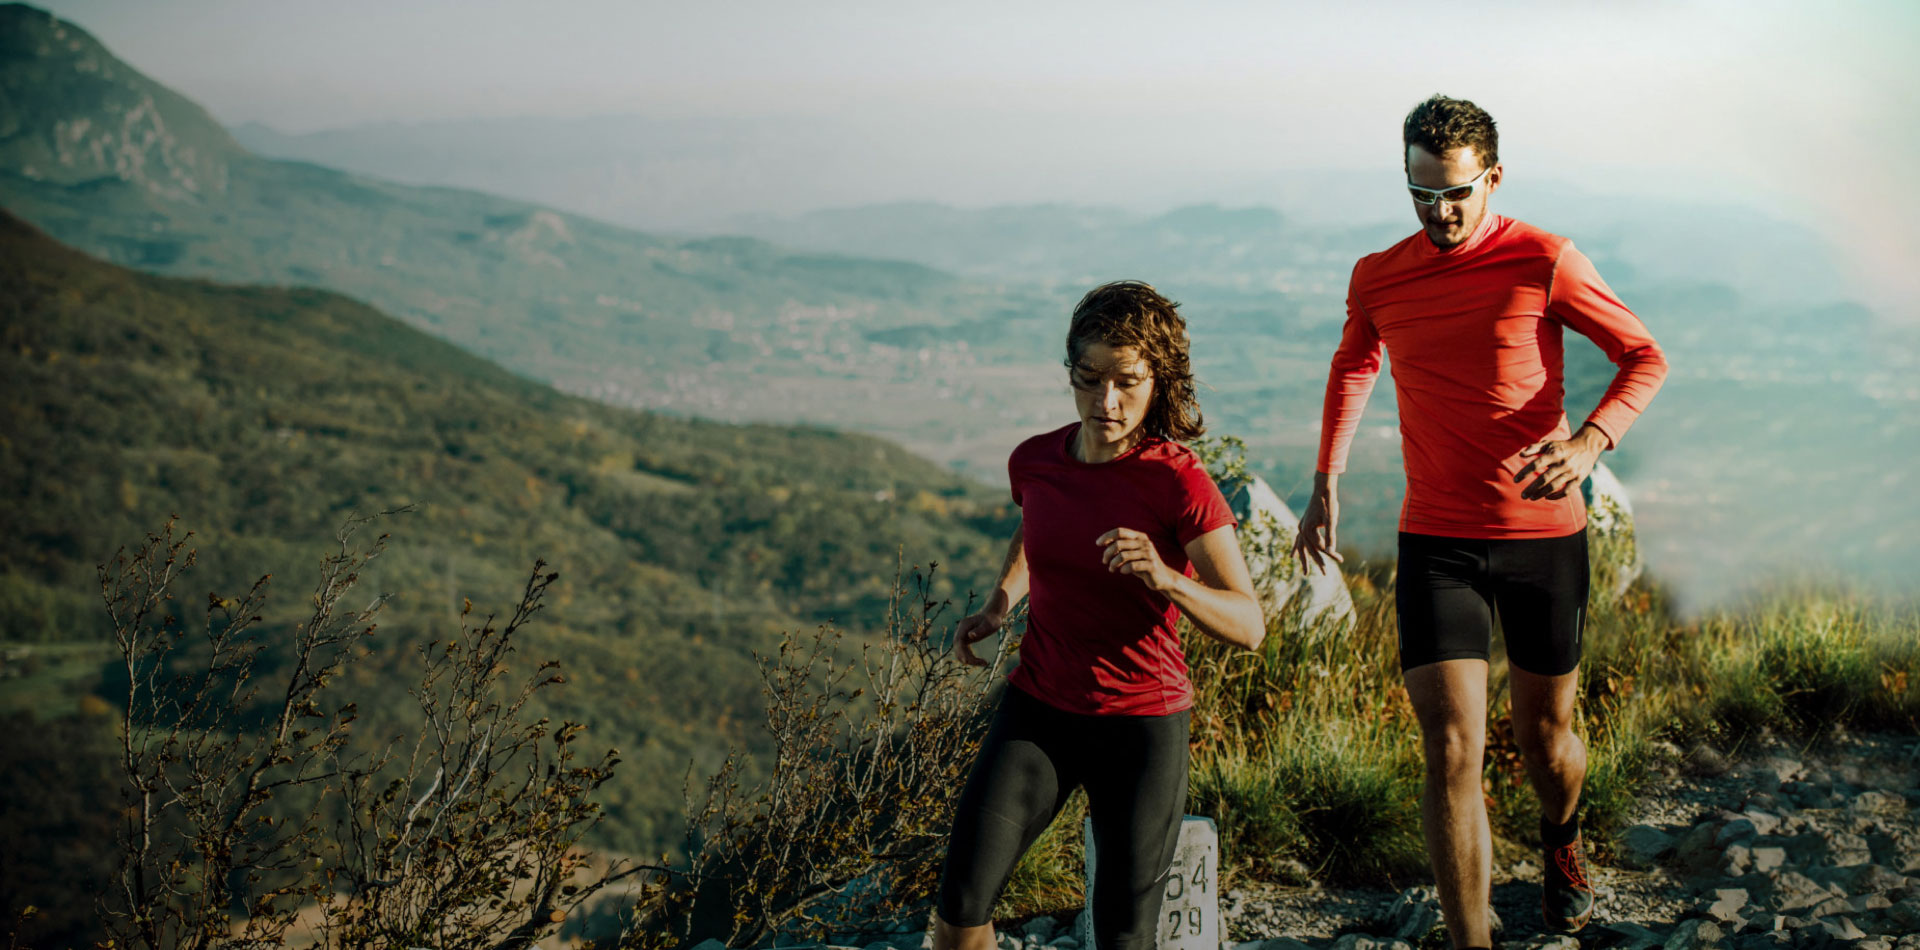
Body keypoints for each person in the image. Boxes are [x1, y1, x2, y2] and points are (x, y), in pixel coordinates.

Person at [1291, 95, 1668, 946]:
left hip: (1543, 538)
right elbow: (1353, 365)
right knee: (1454, 751)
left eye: (1456, 193)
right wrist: (1325, 481)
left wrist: (1589, 444)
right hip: (1437, 541)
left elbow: (1644, 356)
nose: (1441, 213)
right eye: (1421, 195)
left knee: (1546, 743)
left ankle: (1563, 838)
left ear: (1491, 177)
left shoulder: (1545, 259)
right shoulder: (1379, 275)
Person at [934, 281, 1265, 950]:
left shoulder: (1177, 481)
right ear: (1070, 373)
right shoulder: (1035, 462)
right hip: (1042, 707)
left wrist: (1168, 578)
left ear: (1157, 381)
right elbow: (1038, 530)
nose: (1106, 402)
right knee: (960, 904)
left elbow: (1249, 624)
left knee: (1122, 934)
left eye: (1127, 383)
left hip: (1143, 725)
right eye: (1089, 380)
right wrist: (1000, 601)